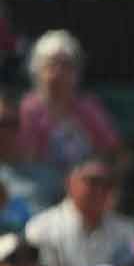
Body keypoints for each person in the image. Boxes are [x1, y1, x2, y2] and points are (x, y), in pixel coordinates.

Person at [24, 155, 134, 266]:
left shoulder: (128, 230)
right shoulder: (41, 228)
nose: (100, 190)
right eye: (93, 182)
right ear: (70, 183)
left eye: (108, 184)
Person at [17, 29, 121, 176]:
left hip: (85, 183)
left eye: (66, 66)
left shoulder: (88, 108)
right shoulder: (27, 110)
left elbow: (111, 148)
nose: (58, 73)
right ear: (37, 70)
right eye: (51, 65)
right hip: (41, 184)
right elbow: (27, 157)